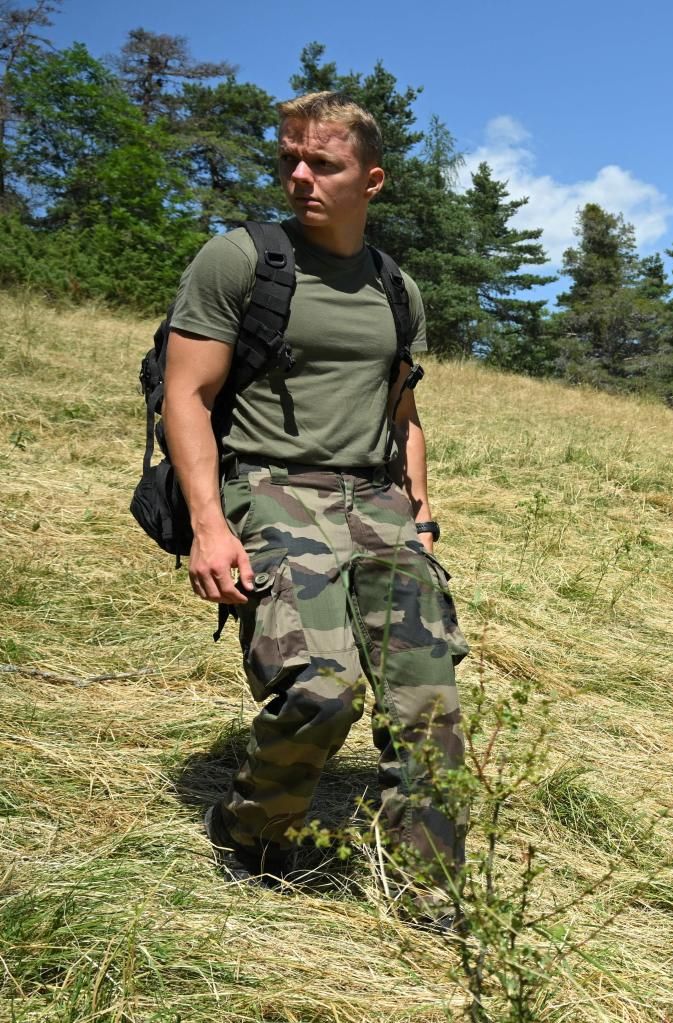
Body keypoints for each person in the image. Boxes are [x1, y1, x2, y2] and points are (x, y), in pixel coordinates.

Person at [164, 92, 466, 919]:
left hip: (377, 500)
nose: (300, 176)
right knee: (322, 688)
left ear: (371, 180)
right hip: (270, 486)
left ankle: (430, 894)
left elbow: (403, 416)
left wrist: (424, 514)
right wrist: (208, 524)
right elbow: (185, 397)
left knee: (428, 702)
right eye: (289, 159)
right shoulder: (240, 263)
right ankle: (256, 828)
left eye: (322, 163)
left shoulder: (397, 290)